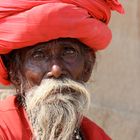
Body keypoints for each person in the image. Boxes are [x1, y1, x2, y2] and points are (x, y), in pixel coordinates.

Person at [0, 0, 124, 140]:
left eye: (68, 52)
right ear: (15, 73)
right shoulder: (4, 128)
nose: (56, 70)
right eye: (39, 55)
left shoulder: (98, 136)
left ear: (87, 67)